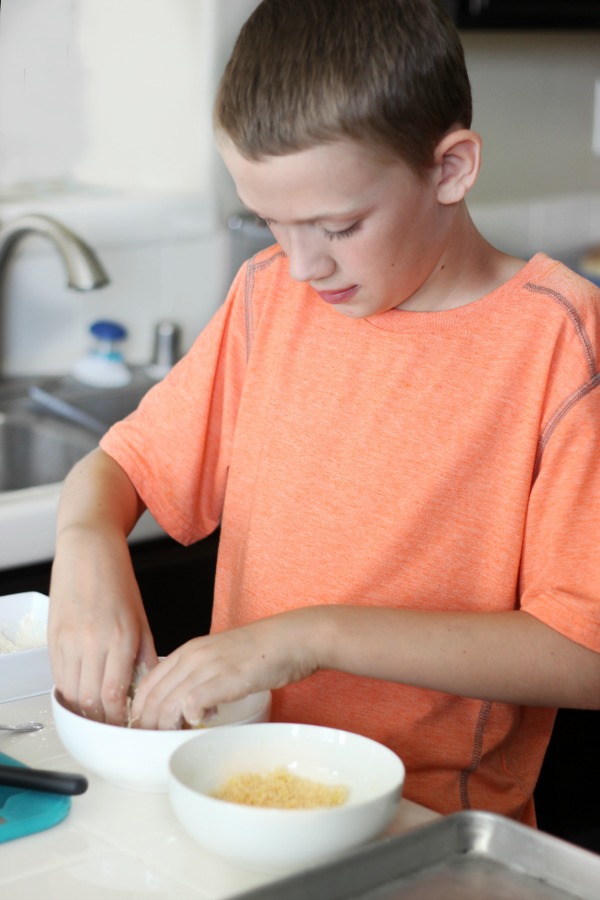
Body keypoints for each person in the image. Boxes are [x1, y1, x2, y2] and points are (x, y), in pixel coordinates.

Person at [48, 0, 600, 826]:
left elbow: (584, 652)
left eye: (337, 225)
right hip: (234, 796)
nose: (303, 264)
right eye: (271, 221)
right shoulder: (269, 298)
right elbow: (123, 466)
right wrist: (85, 537)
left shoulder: (557, 344)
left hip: (420, 831)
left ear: (450, 168)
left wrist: (306, 638)